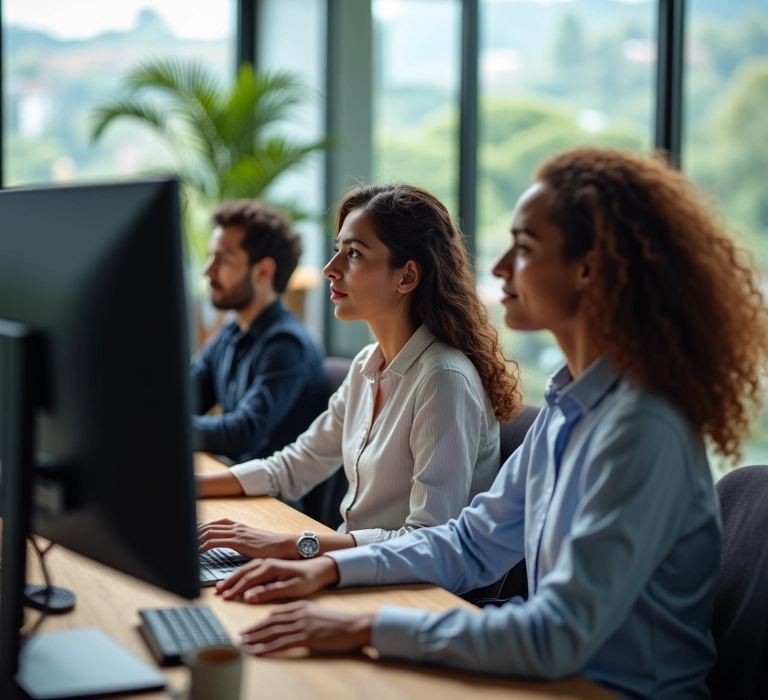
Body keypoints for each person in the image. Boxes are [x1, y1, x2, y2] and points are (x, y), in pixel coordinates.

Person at [216, 147, 768, 700]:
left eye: (524, 248)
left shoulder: (641, 431)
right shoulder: (567, 409)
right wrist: (332, 569)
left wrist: (366, 626)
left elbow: (557, 635)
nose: (500, 267)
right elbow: (470, 542)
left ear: (587, 268)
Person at [197, 184, 520, 557]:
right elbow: (294, 467)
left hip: (407, 584)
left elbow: (428, 537)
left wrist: (295, 545)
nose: (329, 269)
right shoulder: (367, 365)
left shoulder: (443, 378)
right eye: (338, 250)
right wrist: (183, 486)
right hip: (350, 566)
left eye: (353, 253)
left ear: (406, 276)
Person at [191, 200, 326, 463]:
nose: (207, 271)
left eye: (222, 259)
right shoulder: (230, 333)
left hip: (268, 489)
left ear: (264, 271)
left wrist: (164, 425)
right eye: (210, 257)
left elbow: (243, 432)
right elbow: (187, 396)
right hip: (235, 478)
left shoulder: (287, 344)